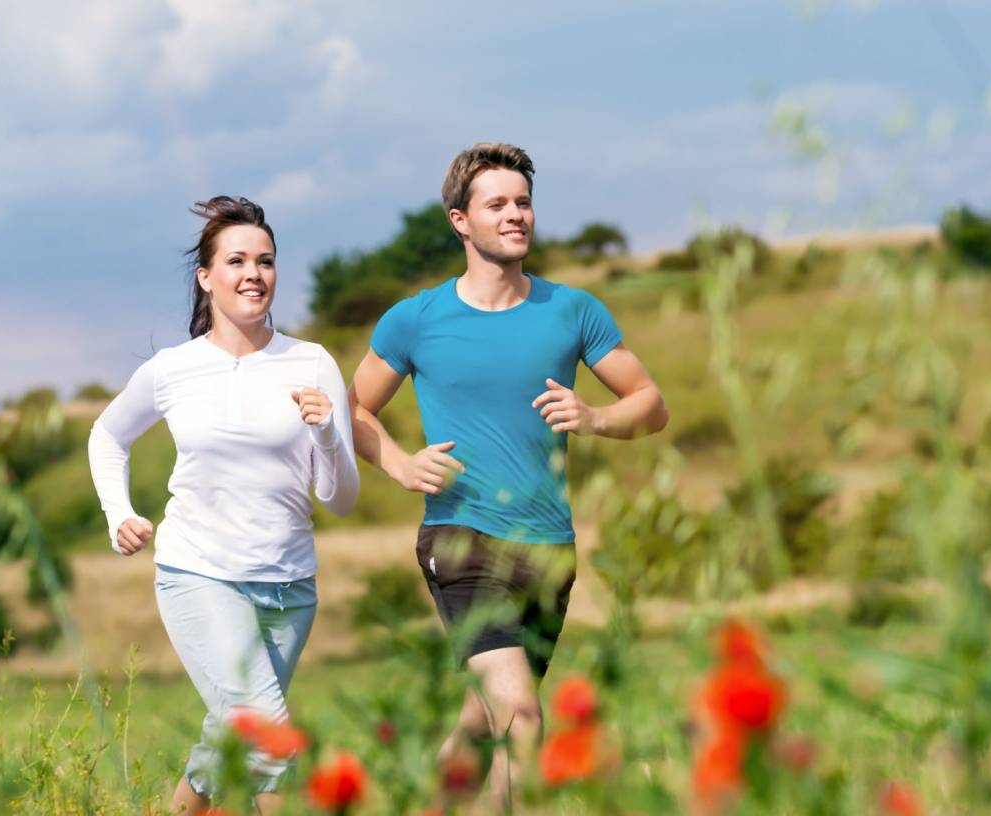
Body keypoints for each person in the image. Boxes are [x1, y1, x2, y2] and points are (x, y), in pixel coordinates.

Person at [348, 143, 668, 806]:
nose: (516, 214)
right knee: (521, 718)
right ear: (460, 220)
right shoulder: (416, 319)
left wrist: (593, 416)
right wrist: (400, 463)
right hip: (461, 539)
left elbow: (651, 404)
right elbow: (353, 410)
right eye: (498, 204)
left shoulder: (572, 311)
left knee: (481, 722)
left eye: (523, 202)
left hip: (550, 549)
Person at [87, 196, 359, 815]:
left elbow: (341, 500)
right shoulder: (172, 369)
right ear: (206, 277)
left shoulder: (312, 362)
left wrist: (324, 435)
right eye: (236, 261)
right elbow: (107, 435)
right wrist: (118, 513)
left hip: (290, 587)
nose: (253, 274)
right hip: (199, 574)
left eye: (265, 261)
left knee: (227, 746)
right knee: (269, 741)